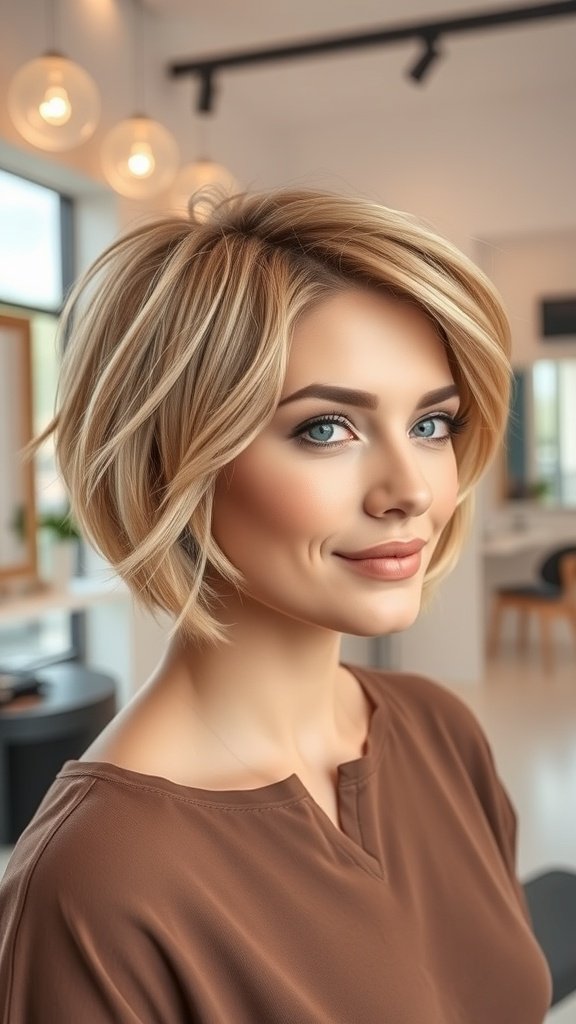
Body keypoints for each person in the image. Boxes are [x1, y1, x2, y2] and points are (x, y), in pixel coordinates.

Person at [0, 188, 552, 1022]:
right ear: (170, 459)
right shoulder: (97, 882)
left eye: (432, 424)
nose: (411, 490)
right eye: (327, 428)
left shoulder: (441, 731)